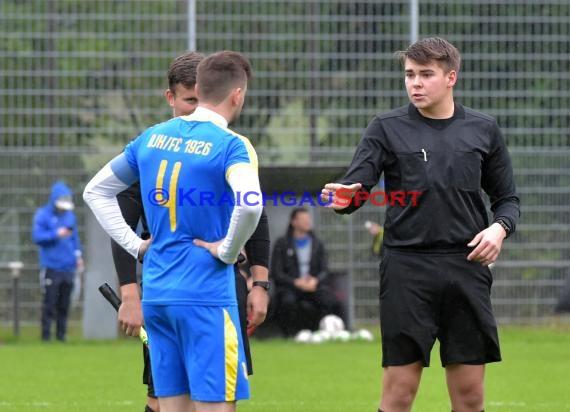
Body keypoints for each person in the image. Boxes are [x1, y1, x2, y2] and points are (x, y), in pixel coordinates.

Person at [321, 37, 520, 412]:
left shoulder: (483, 129)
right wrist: (348, 198)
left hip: (467, 267)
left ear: (450, 78)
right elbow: (357, 187)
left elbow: (507, 199)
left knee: (471, 396)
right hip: (406, 270)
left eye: (426, 74)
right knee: (399, 393)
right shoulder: (385, 127)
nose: (415, 83)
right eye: (409, 74)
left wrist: (499, 228)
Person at [84, 51, 264, 412]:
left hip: (159, 294)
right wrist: (228, 251)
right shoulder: (232, 145)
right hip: (206, 297)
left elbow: (95, 191)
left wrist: (137, 246)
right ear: (237, 95)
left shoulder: (152, 137)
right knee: (215, 406)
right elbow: (250, 204)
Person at [271, 207, 343, 337]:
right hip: (290, 288)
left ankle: (322, 333)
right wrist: (295, 282)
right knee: (287, 302)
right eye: (303, 219)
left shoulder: (317, 244)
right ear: (293, 222)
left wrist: (315, 281)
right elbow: (276, 272)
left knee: (329, 300)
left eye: (308, 219)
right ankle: (290, 335)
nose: (307, 222)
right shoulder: (282, 244)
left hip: (313, 286)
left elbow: (325, 270)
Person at [32, 181, 84, 342]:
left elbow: (74, 239)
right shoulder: (42, 215)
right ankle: (45, 337)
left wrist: (78, 256)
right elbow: (37, 237)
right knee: (49, 303)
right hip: (51, 267)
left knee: (64, 304)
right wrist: (56, 234)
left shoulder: (70, 216)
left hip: (68, 267)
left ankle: (61, 336)